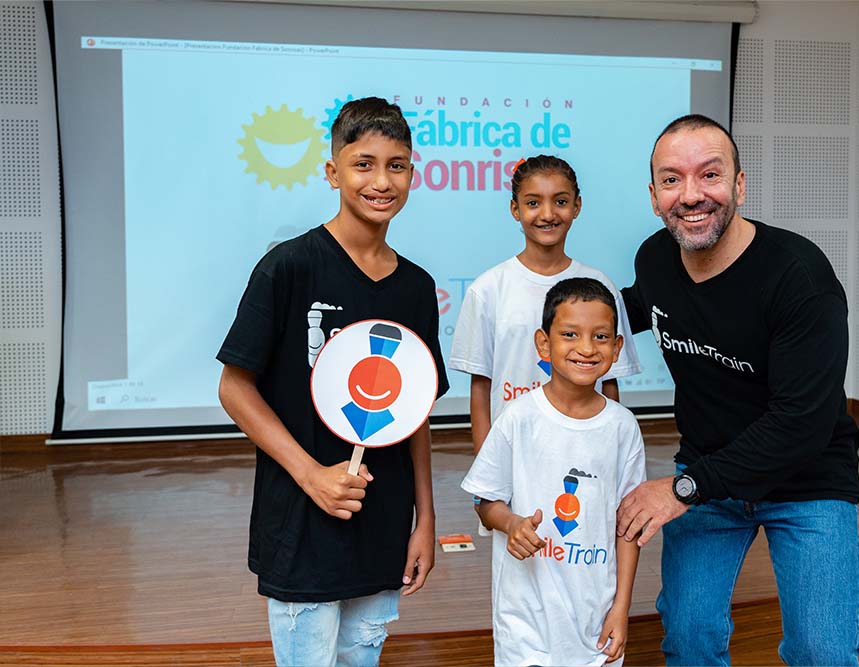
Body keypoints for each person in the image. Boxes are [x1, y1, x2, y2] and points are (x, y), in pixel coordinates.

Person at [616, 114, 859, 666]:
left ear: (739, 184)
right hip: (712, 472)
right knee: (689, 639)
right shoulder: (655, 258)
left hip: (808, 481)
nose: (692, 195)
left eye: (710, 175)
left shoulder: (798, 277)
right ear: (654, 193)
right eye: (673, 179)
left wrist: (681, 490)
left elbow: (801, 424)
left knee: (822, 652)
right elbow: (642, 304)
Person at [217, 97, 448, 667]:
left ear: (412, 173)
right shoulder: (289, 267)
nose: (381, 180)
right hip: (301, 520)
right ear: (332, 171)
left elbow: (413, 411)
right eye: (363, 163)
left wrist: (426, 520)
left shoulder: (417, 287)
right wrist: (311, 475)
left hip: (383, 521)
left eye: (396, 165)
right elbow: (234, 387)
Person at [462, 277, 646, 667]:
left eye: (600, 337)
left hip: (595, 623)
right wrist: (512, 524)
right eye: (570, 334)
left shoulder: (622, 427)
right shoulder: (519, 418)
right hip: (526, 624)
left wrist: (621, 608)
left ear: (617, 348)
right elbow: (485, 500)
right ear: (544, 344)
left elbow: (628, 526)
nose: (585, 348)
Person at [448, 155, 641, 454]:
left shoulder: (601, 287)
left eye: (560, 202)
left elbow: (610, 383)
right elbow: (481, 386)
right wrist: (484, 475)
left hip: (585, 451)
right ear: (516, 209)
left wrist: (610, 453)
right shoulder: (487, 289)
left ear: (577, 206)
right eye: (533, 202)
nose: (548, 214)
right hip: (514, 454)